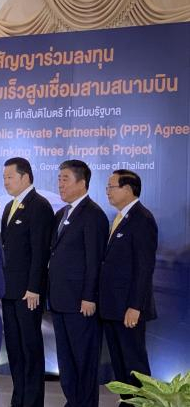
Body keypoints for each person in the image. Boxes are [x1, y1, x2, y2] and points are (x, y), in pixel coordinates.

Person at [49, 159, 108, 407]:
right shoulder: (61, 214)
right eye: (59, 179)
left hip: (80, 302)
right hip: (60, 299)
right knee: (66, 360)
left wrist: (89, 297)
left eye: (66, 179)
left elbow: (95, 261)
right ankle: (73, 401)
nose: (60, 184)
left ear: (82, 183)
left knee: (84, 360)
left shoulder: (93, 215)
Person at [100, 170, 157, 406]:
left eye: (111, 186)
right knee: (120, 363)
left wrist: (135, 306)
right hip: (113, 307)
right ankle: (128, 402)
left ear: (128, 189)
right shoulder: (120, 217)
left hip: (128, 309)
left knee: (134, 363)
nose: (107, 192)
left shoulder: (142, 219)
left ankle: (143, 403)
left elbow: (144, 268)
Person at [0, 157, 54, 407]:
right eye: (4, 177)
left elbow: (40, 252)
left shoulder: (39, 205)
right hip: (9, 290)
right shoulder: (9, 207)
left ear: (26, 177)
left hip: (27, 293)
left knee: (30, 348)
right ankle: (18, 398)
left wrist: (34, 287)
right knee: (14, 348)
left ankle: (32, 402)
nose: (6, 182)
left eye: (10, 177)